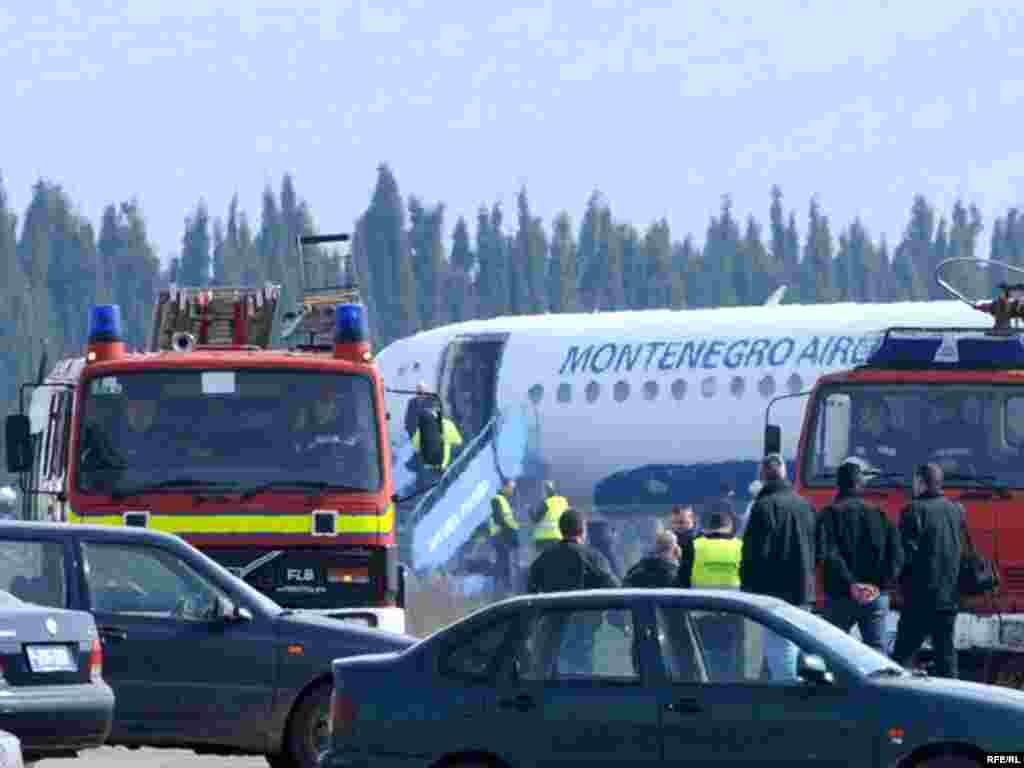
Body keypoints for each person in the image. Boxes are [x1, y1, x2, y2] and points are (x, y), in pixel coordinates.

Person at [739, 453, 818, 681]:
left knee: (780, 648)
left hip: (776, 592)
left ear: (763, 476)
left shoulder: (763, 506)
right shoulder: (805, 505)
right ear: (785, 474)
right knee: (797, 644)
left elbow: (755, 553)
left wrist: (748, 589)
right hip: (804, 589)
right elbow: (819, 548)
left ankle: (788, 696)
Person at [816, 459, 903, 653]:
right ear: (860, 484)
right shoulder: (880, 514)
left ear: (838, 485)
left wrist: (851, 584)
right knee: (877, 653)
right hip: (875, 596)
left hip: (840, 596)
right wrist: (879, 585)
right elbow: (897, 555)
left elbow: (828, 554)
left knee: (833, 652)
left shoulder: (828, 514)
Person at [891, 463, 968, 678]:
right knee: (946, 653)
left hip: (920, 597)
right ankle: (953, 694)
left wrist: (896, 583)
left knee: (902, 656)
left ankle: (895, 695)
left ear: (920, 482)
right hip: (949, 596)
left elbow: (905, 555)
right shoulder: (956, 510)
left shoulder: (913, 510)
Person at [687, 510, 744, 679]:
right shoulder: (740, 546)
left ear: (705, 527)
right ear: (730, 526)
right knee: (732, 659)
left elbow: (682, 580)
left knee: (705, 659)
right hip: (735, 612)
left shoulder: (694, 546)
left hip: (701, 612)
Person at [527, 508, 619, 593]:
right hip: (585, 606)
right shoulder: (594, 558)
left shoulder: (542, 560)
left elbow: (531, 591)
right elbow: (614, 588)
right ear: (583, 531)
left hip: (553, 606)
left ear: (561, 530)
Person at [851, 397, 909, 472]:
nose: (863, 419)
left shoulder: (902, 440)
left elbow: (905, 468)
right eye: (863, 415)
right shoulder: (856, 439)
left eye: (875, 414)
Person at [488, 479, 521, 595]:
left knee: (504, 563)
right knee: (503, 563)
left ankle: (504, 590)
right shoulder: (497, 499)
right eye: (510, 487)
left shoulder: (503, 500)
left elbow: (507, 520)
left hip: (503, 535)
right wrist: (510, 531)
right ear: (504, 487)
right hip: (500, 535)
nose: (512, 490)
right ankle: (504, 590)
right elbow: (498, 519)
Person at [530, 481, 568, 556]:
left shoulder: (546, 503)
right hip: (558, 537)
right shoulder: (563, 501)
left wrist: (529, 510)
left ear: (546, 491)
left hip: (543, 539)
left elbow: (535, 520)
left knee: (542, 560)